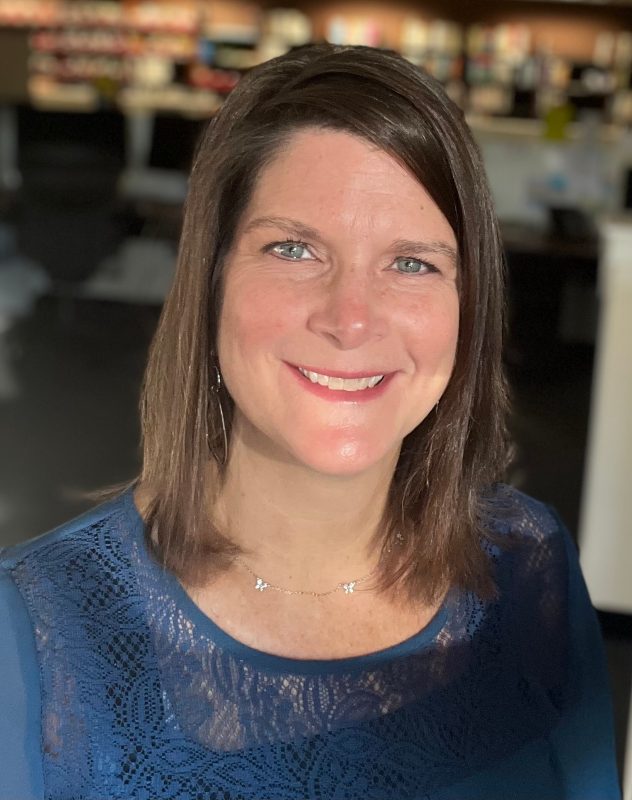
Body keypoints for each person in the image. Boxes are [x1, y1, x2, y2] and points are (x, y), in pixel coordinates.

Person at [0, 43, 620, 799]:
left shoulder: (531, 566)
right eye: (293, 249)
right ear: (211, 281)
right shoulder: (32, 628)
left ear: (470, 305)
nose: (350, 320)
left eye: (413, 263)